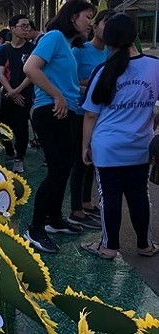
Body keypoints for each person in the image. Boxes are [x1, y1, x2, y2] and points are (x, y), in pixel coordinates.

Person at [80, 14, 159, 259]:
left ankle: (109, 247)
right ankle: (145, 245)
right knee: (139, 194)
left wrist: (85, 146)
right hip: (140, 145)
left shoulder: (103, 71)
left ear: (108, 40)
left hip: (107, 147)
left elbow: (91, 115)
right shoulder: (155, 66)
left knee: (110, 196)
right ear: (135, 36)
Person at [22, 0, 95, 253]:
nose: (91, 23)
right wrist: (57, 95)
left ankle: (54, 219)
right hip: (51, 112)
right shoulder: (53, 36)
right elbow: (30, 68)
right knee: (56, 171)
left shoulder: (67, 44)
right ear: (73, 16)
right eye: (88, 16)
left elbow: (69, 82)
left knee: (63, 169)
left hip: (66, 112)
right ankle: (35, 228)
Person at [67, 9, 116, 229]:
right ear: (94, 26)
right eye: (106, 23)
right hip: (80, 113)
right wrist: (96, 84)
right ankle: (76, 210)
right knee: (80, 160)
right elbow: (70, 82)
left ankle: (87, 203)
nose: (109, 28)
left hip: (101, 115)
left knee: (91, 160)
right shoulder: (79, 51)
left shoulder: (112, 53)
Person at [0, 15, 35, 174]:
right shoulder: (4, 49)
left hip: (24, 95)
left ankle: (19, 157)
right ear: (12, 28)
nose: (26, 29)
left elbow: (32, 74)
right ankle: (9, 151)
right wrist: (11, 92)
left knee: (21, 126)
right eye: (23, 26)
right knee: (1, 125)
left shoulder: (32, 50)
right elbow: (1, 73)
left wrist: (17, 90)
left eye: (28, 26)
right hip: (7, 94)